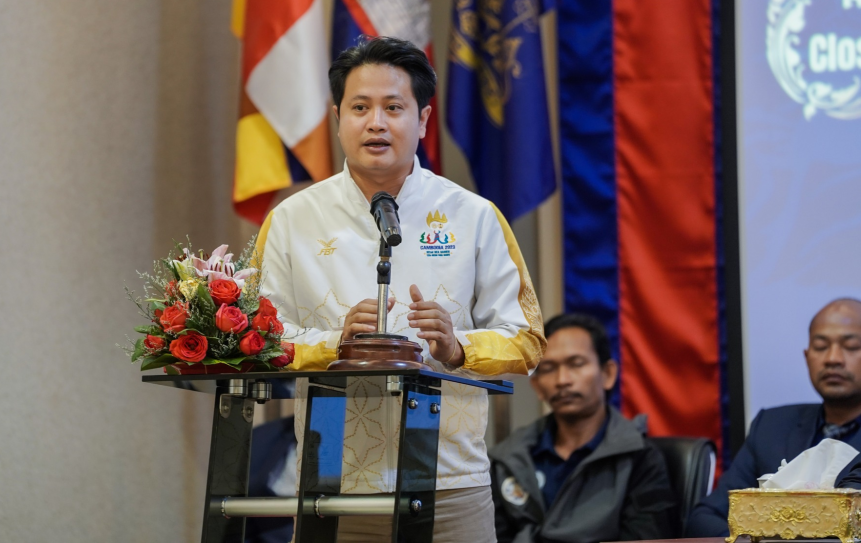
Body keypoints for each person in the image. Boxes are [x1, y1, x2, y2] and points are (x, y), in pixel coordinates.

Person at [254, 36, 547, 543]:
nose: (376, 123)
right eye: (360, 107)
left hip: (450, 484)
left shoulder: (475, 216)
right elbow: (257, 341)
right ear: (337, 117)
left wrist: (457, 347)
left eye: (393, 107)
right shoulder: (290, 220)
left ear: (423, 119)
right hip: (332, 482)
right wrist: (335, 344)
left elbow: (527, 339)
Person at [489, 313, 677, 543]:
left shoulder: (640, 459)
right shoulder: (507, 458)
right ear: (537, 386)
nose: (562, 380)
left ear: (608, 374)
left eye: (576, 364)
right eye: (548, 368)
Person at [686, 298, 861, 537]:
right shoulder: (771, 426)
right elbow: (706, 517)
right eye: (821, 347)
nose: (833, 358)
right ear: (806, 356)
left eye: (851, 346)